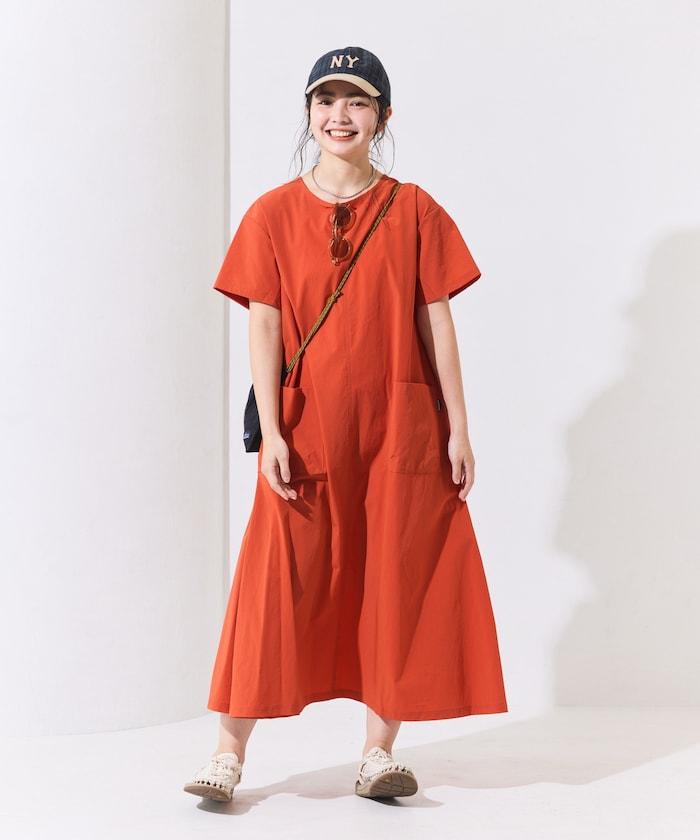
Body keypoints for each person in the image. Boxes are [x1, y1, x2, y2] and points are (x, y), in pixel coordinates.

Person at [184, 45, 508, 804]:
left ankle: (377, 754)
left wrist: (459, 427)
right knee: (276, 579)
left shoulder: (415, 209)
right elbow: (265, 325)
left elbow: (437, 322)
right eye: (326, 100)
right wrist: (272, 431)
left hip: (399, 424)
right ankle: (228, 753)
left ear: (382, 118)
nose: (340, 115)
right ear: (308, 113)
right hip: (308, 425)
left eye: (357, 101)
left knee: (395, 574)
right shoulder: (270, 213)